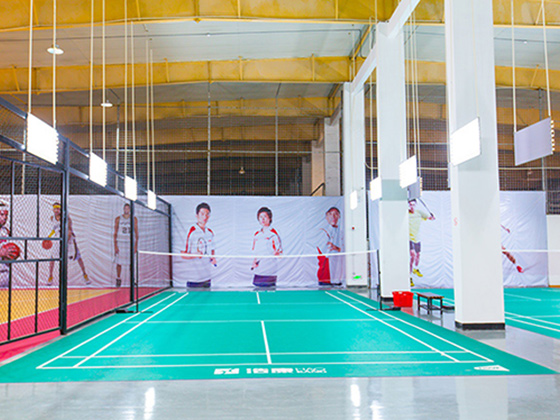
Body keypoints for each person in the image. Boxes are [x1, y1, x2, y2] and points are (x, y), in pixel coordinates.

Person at [47, 202, 90, 286]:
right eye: (55, 208)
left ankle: (85, 274)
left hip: (69, 240)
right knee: (52, 257)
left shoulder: (67, 219)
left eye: (58, 209)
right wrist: (49, 237)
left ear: (61, 209)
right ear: (53, 209)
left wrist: (65, 243)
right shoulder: (52, 218)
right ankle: (50, 276)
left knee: (78, 257)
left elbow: (69, 231)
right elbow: (54, 229)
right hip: (58, 239)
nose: (56, 210)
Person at [182, 202, 216, 288]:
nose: (205, 217)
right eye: (202, 214)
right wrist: (195, 255)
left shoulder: (210, 232)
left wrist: (213, 258)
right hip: (194, 278)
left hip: (207, 278)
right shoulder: (191, 231)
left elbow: (212, 249)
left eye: (207, 214)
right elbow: (183, 254)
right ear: (197, 215)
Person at [251, 207, 282, 288]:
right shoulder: (257, 234)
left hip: (270, 270)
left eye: (265, 216)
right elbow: (255, 252)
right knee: (257, 290)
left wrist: (277, 254)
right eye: (260, 217)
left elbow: (279, 253)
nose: (262, 219)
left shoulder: (274, 234)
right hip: (258, 270)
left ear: (270, 218)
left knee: (270, 292)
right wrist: (254, 262)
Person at [315, 206, 344, 286]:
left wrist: (337, 248)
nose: (333, 217)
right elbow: (324, 249)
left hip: (337, 270)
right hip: (326, 270)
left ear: (339, 216)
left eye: (336, 214)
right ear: (326, 216)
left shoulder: (341, 232)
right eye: (330, 214)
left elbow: (341, 248)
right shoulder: (323, 231)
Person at [409, 199, 435, 285]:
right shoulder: (406, 214)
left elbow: (430, 218)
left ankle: (416, 268)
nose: (412, 206)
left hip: (417, 238)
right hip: (409, 238)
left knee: (418, 255)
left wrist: (432, 217)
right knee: (412, 255)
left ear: (416, 205)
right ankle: (409, 276)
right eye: (410, 205)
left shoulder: (419, 213)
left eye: (413, 205)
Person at [113, 203, 139, 288]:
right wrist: (115, 245)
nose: (126, 210)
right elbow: (115, 232)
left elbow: (136, 232)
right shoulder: (118, 219)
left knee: (131, 262)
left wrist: (135, 245)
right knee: (119, 262)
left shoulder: (134, 219)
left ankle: (132, 279)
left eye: (128, 208)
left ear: (130, 210)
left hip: (130, 243)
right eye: (125, 208)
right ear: (123, 209)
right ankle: (118, 278)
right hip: (120, 242)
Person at [0, 200, 16, 287]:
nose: (5, 217)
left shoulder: (6, 231)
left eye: (6, 215)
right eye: (2, 214)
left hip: (5, 272)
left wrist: (13, 253)